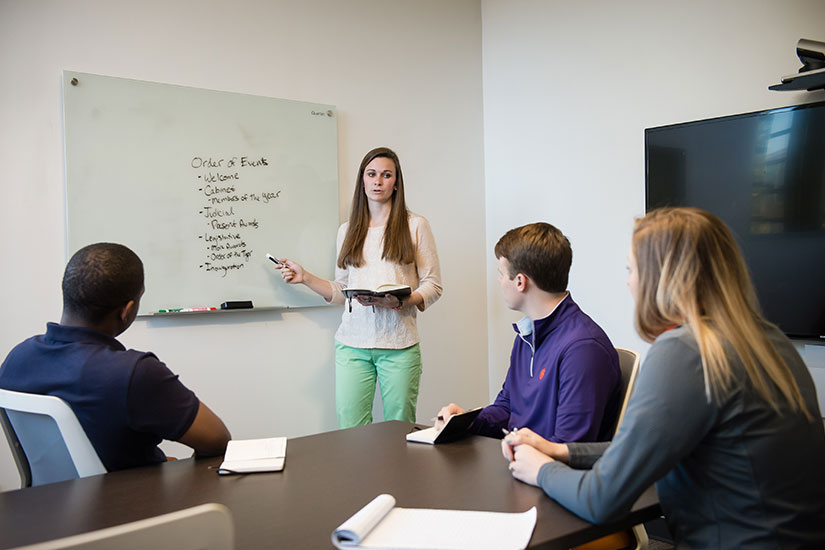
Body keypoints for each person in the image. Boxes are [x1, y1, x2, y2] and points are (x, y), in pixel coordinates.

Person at [504, 208, 825, 548]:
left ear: (661, 277)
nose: (628, 281)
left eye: (631, 269)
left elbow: (602, 499)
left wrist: (540, 469)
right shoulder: (768, 340)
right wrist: (560, 451)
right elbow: (639, 449)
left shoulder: (686, 350)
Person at [0, 243, 231, 472]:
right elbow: (217, 441)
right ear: (127, 310)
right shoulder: (134, 373)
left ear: (66, 294)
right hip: (122, 504)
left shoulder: (18, 358)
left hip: (45, 502)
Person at [276, 147, 442, 428]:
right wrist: (305, 277)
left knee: (399, 429)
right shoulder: (348, 229)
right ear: (362, 180)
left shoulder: (415, 225)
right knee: (351, 431)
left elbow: (434, 285)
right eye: (372, 174)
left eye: (386, 175)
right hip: (352, 346)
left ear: (396, 182)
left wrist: (401, 301)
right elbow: (342, 290)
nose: (378, 181)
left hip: (399, 346)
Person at [436, 222, 621, 443]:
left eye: (501, 274)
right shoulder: (526, 335)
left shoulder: (583, 349)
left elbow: (570, 446)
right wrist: (467, 420)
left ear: (520, 282)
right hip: (522, 463)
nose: (499, 281)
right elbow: (507, 408)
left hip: (549, 473)